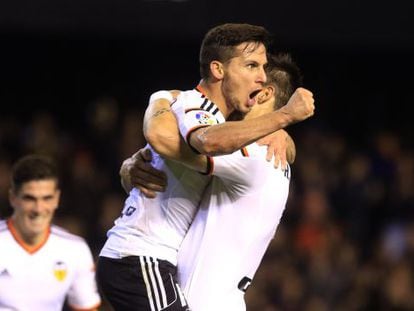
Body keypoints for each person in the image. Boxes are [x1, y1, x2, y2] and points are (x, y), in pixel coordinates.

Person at [97, 23, 314, 311]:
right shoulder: (198, 108)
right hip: (139, 257)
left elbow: (181, 144)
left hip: (169, 272)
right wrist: (284, 117)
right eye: (251, 67)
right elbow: (201, 140)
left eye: (262, 69)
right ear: (219, 69)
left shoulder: (257, 149)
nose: (259, 77)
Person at [0, 154, 101, 311]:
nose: (39, 209)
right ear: (13, 198)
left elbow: (86, 308)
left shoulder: (75, 250)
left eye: (46, 198)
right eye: (29, 198)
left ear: (57, 199)